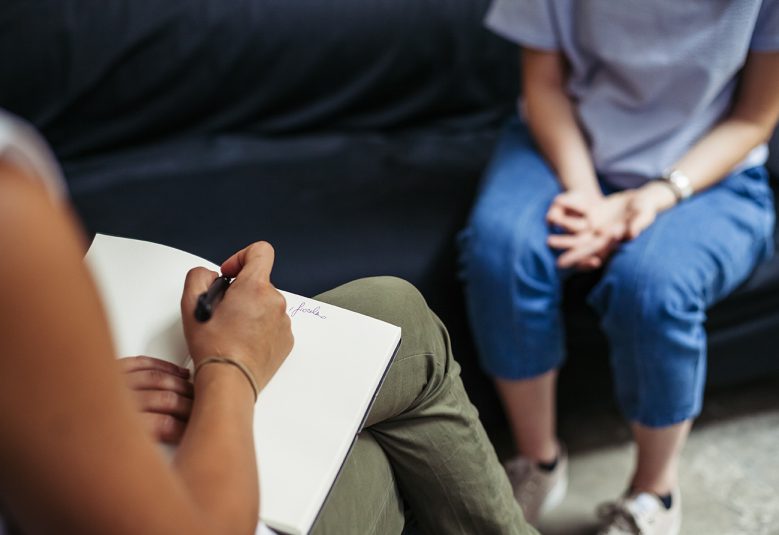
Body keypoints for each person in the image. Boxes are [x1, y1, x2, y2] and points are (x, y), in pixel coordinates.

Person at [0, 109, 535, 535]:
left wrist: (63, 417)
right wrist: (230, 363)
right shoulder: (12, 215)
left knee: (394, 314)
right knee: (383, 450)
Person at [458, 1, 779, 533]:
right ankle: (539, 460)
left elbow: (755, 117)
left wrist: (657, 195)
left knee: (651, 287)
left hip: (708, 174)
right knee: (500, 254)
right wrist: (587, 197)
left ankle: (655, 494)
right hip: (567, 147)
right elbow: (544, 83)